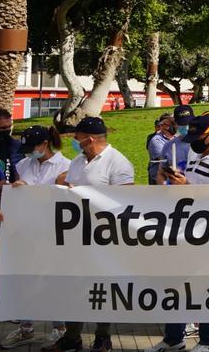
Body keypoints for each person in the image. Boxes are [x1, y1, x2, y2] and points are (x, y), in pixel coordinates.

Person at [45, 118, 136, 352]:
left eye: (78, 137)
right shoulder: (77, 161)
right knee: (74, 286)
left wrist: (84, 196)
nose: (75, 141)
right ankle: (72, 337)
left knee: (102, 288)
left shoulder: (118, 163)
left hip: (105, 236)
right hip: (77, 235)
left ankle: (102, 336)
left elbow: (125, 201)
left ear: (90, 138)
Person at [147, 115, 209, 352]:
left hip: (208, 232)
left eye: (198, 138)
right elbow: (193, 187)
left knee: (207, 287)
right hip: (186, 228)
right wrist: (171, 180)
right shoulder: (198, 155)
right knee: (176, 284)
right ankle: (173, 337)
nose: (194, 142)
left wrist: (185, 185)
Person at [0, 126, 70, 349]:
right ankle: (26, 328)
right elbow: (16, 196)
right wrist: (14, 192)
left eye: (33, 147)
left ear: (44, 145)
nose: (29, 152)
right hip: (26, 233)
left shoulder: (66, 166)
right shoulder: (23, 164)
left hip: (54, 234)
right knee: (25, 279)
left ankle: (60, 327)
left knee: (53, 280)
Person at [159, 105, 195, 184]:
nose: (186, 127)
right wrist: (164, 186)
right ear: (175, 124)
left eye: (189, 123)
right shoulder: (168, 146)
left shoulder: (203, 144)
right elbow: (160, 174)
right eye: (182, 124)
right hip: (173, 192)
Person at [0, 107, 22, 184]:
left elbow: (20, 171)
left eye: (9, 127)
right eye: (2, 128)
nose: (7, 130)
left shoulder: (15, 146)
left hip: (11, 191)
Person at [147, 113, 176, 185]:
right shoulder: (156, 140)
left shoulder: (177, 138)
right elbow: (166, 159)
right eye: (170, 124)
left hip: (174, 178)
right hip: (159, 180)